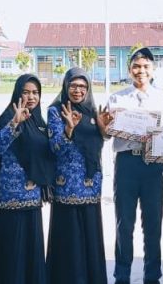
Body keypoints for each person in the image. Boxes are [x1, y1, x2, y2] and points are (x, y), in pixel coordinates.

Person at [105, 47, 163, 284]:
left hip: (152, 166)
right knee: (124, 224)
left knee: (153, 224)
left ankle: (152, 276)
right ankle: (122, 276)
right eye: (136, 66)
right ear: (129, 70)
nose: (141, 71)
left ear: (153, 69)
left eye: (145, 66)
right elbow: (107, 133)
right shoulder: (117, 99)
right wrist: (105, 125)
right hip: (126, 162)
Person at [46, 67, 109, 284]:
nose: (78, 90)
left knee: (90, 237)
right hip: (66, 186)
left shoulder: (92, 111)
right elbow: (55, 148)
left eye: (83, 86)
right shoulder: (56, 111)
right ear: (66, 86)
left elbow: (98, 144)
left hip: (91, 185)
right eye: (73, 85)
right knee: (69, 239)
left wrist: (103, 129)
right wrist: (68, 130)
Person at [0, 74, 54, 284]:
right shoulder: (7, 118)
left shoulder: (39, 121)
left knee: (31, 254)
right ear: (18, 93)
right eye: (26, 92)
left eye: (35, 92)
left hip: (32, 199)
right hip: (10, 200)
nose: (31, 97)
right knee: (12, 255)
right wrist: (14, 124)